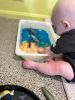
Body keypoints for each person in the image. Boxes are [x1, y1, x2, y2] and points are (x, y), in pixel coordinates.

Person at [22, 0, 75, 82]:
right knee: (60, 55)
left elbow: (50, 51)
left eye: (55, 27)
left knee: (60, 67)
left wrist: (42, 50)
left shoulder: (66, 40)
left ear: (65, 25)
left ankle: (35, 65)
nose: (54, 29)